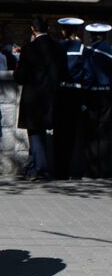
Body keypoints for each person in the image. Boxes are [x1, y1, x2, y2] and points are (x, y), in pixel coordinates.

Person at [14, 15, 64, 181]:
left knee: (34, 132)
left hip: (33, 97)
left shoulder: (29, 48)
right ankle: (35, 164)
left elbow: (20, 76)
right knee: (41, 132)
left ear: (33, 29)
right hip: (51, 95)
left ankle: (39, 167)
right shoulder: (57, 48)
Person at [53, 16, 89, 179]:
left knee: (59, 133)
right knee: (73, 134)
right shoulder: (82, 48)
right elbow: (87, 73)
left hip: (60, 93)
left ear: (63, 31)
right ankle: (72, 171)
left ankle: (59, 171)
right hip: (75, 93)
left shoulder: (58, 47)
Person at [85, 23, 112, 178]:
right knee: (105, 134)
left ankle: (92, 171)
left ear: (92, 36)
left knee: (91, 133)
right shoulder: (110, 51)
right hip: (107, 94)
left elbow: (87, 74)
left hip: (92, 95)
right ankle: (105, 170)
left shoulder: (88, 51)